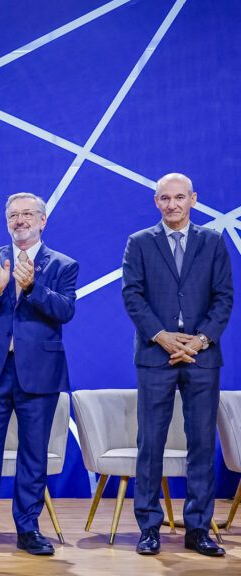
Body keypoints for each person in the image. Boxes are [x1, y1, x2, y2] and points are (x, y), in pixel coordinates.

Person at [0, 193, 77, 556]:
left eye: (27, 214)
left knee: (34, 454)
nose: (20, 220)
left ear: (42, 221)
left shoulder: (62, 264)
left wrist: (32, 288)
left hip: (40, 372)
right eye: (13, 215)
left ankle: (28, 528)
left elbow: (65, 310)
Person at [122, 173, 233, 557]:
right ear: (156, 202)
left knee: (201, 444)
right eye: (165, 198)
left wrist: (200, 340)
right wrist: (163, 336)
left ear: (193, 200)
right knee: (149, 443)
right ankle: (149, 527)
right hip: (156, 354)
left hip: (202, 357)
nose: (172, 204)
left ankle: (199, 528)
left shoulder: (214, 242)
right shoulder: (139, 243)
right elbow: (132, 296)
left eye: (179, 197)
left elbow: (224, 298)